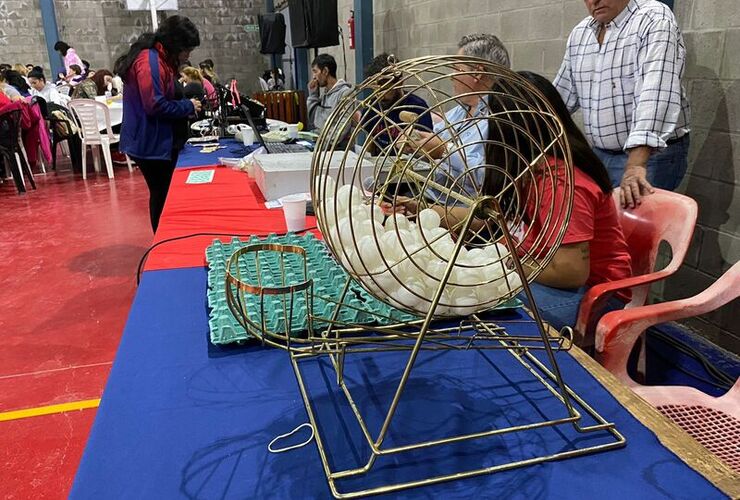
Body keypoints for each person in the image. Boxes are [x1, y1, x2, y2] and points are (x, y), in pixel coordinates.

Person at [390, 72, 632, 337]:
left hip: (592, 296)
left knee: (480, 305)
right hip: (537, 270)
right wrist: (422, 209)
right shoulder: (525, 168)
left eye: (492, 119)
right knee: (459, 290)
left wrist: (501, 262)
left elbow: (571, 272)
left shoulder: (561, 182)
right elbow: (486, 219)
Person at [554, 0, 690, 209]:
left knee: (632, 231)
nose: (594, 1)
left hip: (649, 155)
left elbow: (655, 93)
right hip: (601, 153)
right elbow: (559, 98)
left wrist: (635, 165)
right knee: (602, 225)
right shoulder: (580, 34)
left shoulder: (653, 18)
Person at [399, 33, 511, 206]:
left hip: (463, 211)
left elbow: (489, 177)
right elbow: (434, 142)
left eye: (457, 69)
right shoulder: (459, 111)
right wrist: (415, 142)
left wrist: (444, 151)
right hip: (429, 194)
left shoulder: (502, 119)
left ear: (477, 73)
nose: (451, 76)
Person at [116, 15, 202, 232]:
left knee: (164, 193)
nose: (187, 56)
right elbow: (154, 104)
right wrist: (188, 106)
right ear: (176, 45)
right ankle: (163, 242)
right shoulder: (149, 62)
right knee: (161, 194)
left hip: (156, 141)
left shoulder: (160, 59)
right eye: (187, 51)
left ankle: (166, 237)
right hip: (150, 144)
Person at [359, 53, 434, 155]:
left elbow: (426, 151)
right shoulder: (372, 107)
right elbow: (370, 141)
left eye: (385, 90)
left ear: (399, 82)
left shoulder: (417, 107)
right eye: (375, 90)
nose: (379, 96)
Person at [307, 54, 352, 132]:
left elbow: (342, 128)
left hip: (334, 143)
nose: (314, 77)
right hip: (319, 140)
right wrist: (313, 95)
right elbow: (312, 120)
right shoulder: (324, 94)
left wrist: (322, 139)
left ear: (325, 71)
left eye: (315, 71)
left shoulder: (345, 93)